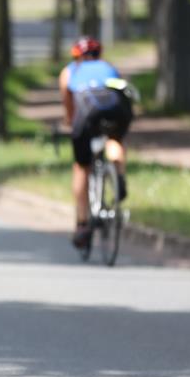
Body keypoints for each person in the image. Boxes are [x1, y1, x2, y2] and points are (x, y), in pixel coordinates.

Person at [58, 36, 134, 249]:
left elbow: (68, 102)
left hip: (87, 114)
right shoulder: (109, 67)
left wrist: (69, 122)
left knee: (81, 167)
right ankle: (118, 175)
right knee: (114, 139)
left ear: (77, 55)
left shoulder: (69, 71)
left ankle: (82, 224)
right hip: (117, 112)